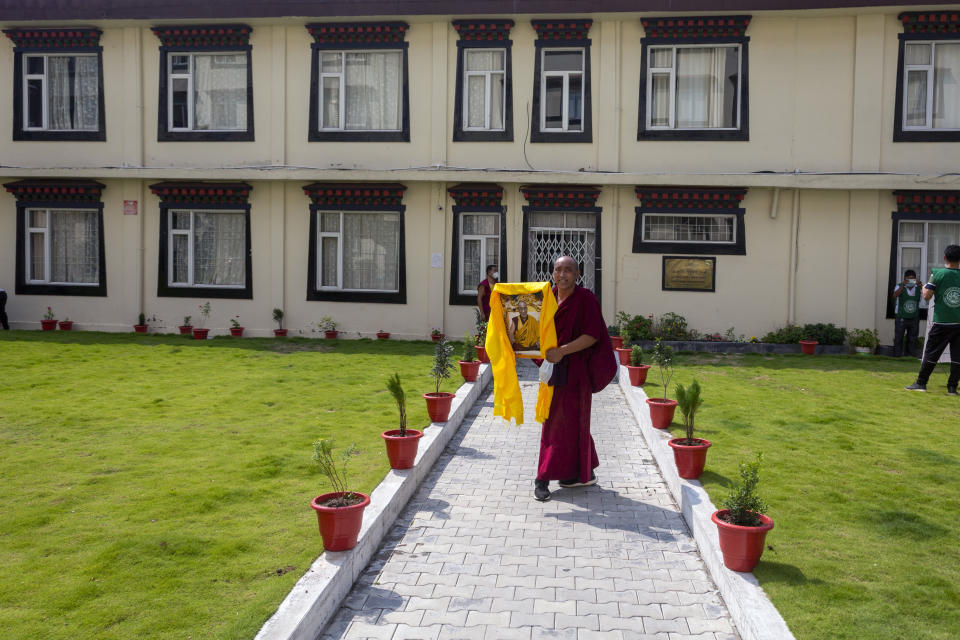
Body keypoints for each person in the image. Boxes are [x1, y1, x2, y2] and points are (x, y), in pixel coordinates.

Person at [534, 256, 613, 502]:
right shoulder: (545, 298)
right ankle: (575, 472)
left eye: (568, 270)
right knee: (558, 421)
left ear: (577, 273)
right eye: (558, 269)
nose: (562, 274)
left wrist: (562, 351)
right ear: (553, 273)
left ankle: (545, 477)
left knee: (567, 422)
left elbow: (592, 335)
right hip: (552, 370)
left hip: (576, 371)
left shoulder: (586, 299)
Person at [906, 244, 960, 395]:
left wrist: (923, 287)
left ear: (945, 257)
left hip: (942, 321)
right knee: (957, 355)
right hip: (959, 322)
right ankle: (952, 388)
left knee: (931, 353)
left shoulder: (937, 273)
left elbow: (926, 296)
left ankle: (921, 383)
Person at [891, 269, 921, 357]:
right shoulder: (899, 286)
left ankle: (910, 357)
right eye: (909, 279)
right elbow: (894, 295)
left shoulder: (918, 287)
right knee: (898, 338)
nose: (911, 281)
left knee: (912, 338)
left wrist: (921, 285)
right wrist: (903, 286)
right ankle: (897, 356)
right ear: (904, 279)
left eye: (913, 279)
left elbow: (927, 296)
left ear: (915, 279)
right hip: (901, 317)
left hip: (914, 317)